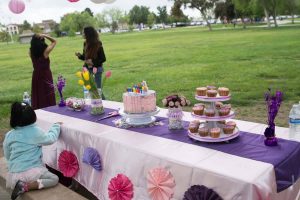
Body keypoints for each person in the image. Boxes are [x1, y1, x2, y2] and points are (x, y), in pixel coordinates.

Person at [3, 102, 62, 200]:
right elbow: (50, 139)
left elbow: (7, 153)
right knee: (54, 179)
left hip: (15, 173)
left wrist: (11, 164)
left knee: (48, 176)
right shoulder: (35, 131)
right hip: (32, 171)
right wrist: (56, 126)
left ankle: (22, 184)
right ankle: (26, 186)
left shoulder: (9, 135)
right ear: (33, 117)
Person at [75, 26, 106, 99]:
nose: (83, 34)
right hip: (87, 70)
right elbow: (85, 57)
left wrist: (93, 63)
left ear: (88, 34)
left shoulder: (98, 43)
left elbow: (103, 58)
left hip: (97, 69)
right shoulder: (85, 43)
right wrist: (80, 56)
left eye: (84, 33)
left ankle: (105, 103)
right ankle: (95, 104)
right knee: (89, 89)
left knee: (97, 89)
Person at [30, 34, 57, 110]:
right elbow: (54, 41)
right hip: (46, 74)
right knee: (47, 92)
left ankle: (38, 109)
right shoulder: (45, 52)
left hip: (36, 74)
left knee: (38, 92)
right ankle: (49, 108)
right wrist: (45, 35)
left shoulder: (30, 52)